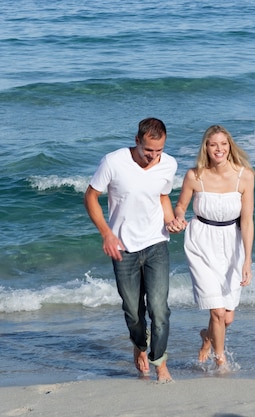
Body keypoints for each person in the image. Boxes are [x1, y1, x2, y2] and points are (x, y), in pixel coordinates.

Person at [84, 117, 182, 383]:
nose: (153, 157)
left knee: (160, 310)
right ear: (137, 140)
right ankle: (139, 345)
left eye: (159, 151)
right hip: (123, 248)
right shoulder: (113, 162)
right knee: (133, 312)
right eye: (148, 150)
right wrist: (106, 233)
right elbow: (90, 195)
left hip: (156, 244)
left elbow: (162, 196)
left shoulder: (169, 164)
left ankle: (159, 362)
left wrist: (170, 220)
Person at [172, 125, 255, 370]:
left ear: (229, 145)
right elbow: (180, 206)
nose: (218, 149)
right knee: (218, 312)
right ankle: (221, 362)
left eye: (223, 144)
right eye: (213, 145)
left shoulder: (245, 176)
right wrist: (178, 217)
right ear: (206, 148)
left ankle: (207, 337)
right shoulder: (194, 176)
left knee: (227, 318)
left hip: (231, 243)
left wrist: (247, 260)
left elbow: (247, 221)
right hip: (201, 242)